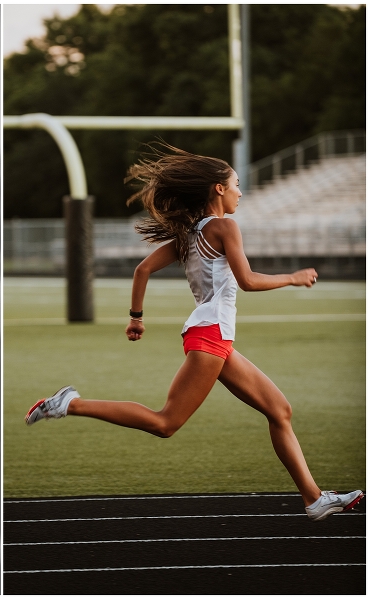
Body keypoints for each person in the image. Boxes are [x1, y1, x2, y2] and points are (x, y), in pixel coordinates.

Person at [25, 143, 363, 522]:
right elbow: (248, 281)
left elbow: (141, 270)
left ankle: (314, 499)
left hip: (212, 335)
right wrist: (293, 278)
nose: (240, 191)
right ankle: (69, 403)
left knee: (279, 410)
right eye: (235, 184)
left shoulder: (190, 235)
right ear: (218, 189)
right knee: (166, 422)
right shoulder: (223, 227)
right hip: (211, 336)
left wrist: (137, 317)